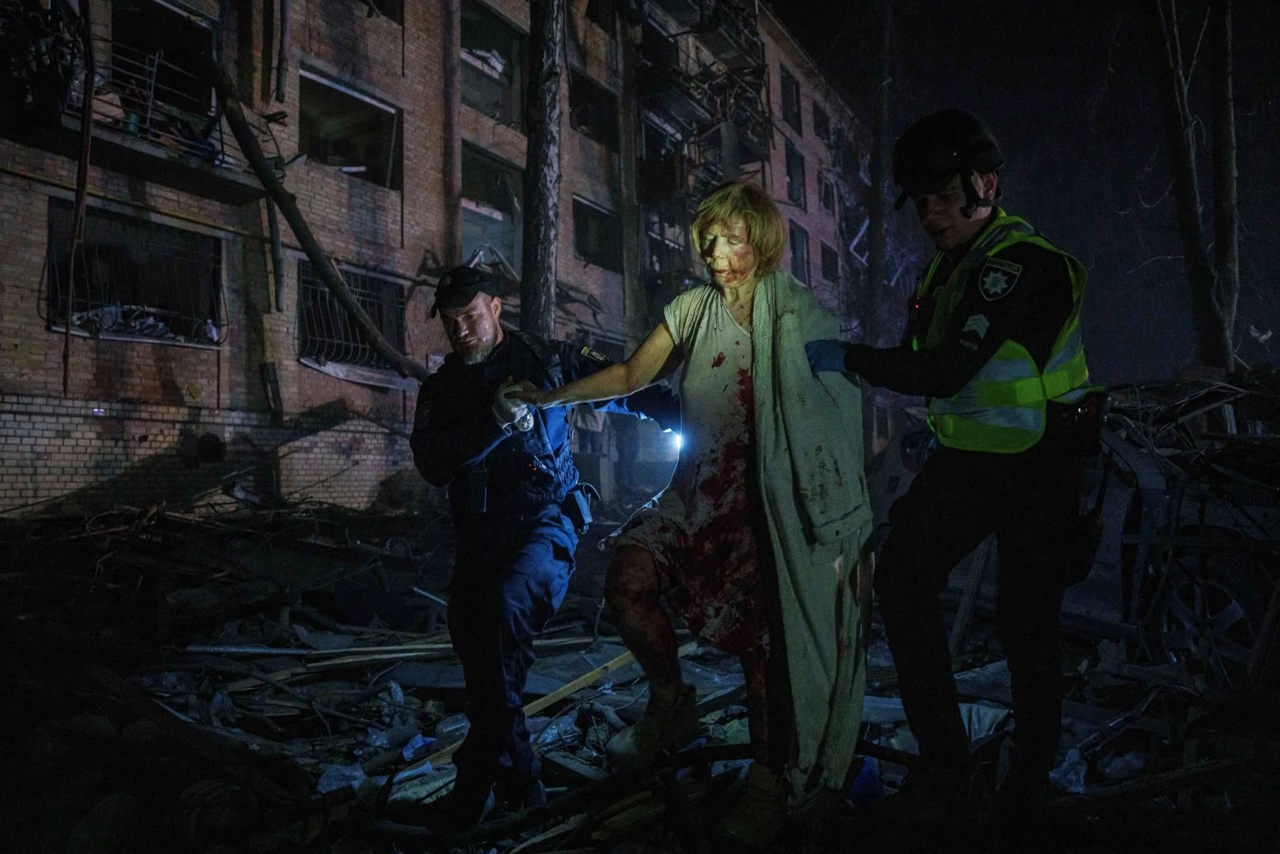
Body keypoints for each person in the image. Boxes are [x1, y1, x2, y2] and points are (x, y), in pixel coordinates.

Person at [511, 180, 873, 849]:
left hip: (766, 508)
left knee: (766, 655)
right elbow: (631, 375)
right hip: (696, 491)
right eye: (707, 239)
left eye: (729, 238)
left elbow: (836, 410)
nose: (714, 252)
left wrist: (835, 518)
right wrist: (551, 398)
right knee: (628, 577)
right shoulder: (691, 309)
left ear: (761, 240)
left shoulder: (799, 315)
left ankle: (767, 784)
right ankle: (670, 701)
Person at [806, 109, 1100, 828]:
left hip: (1042, 464)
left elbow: (943, 370)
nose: (930, 214)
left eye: (943, 196)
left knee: (1027, 626)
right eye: (920, 201)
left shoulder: (1023, 265)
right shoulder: (947, 269)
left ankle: (1024, 789)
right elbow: (928, 364)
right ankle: (947, 768)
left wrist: (847, 358)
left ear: (986, 185)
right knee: (902, 579)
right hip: (970, 462)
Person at [408, 265, 679, 834]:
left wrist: (685, 413)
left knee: (505, 613)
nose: (461, 331)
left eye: (471, 316)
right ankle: (520, 790)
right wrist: (492, 422)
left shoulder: (545, 359)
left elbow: (618, 382)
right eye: (452, 323)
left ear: (496, 308)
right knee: (484, 660)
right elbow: (433, 462)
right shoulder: (443, 388)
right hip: (478, 540)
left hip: (545, 524)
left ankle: (475, 792)